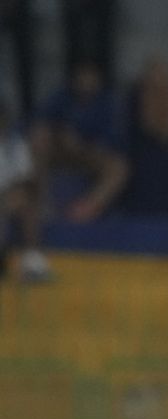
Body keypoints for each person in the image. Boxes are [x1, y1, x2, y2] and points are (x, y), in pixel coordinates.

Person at [29, 60, 127, 223]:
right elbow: (39, 120)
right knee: (38, 142)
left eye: (90, 76)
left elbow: (114, 141)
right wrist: (56, 134)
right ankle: (42, 205)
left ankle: (87, 207)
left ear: (98, 78)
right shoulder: (61, 96)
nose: (85, 80)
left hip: (90, 155)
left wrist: (84, 144)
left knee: (120, 167)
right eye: (82, 75)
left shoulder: (108, 102)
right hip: (60, 152)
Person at [122, 55, 168, 216]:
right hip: (145, 156)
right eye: (155, 74)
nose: (159, 79)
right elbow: (146, 126)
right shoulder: (136, 99)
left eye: (163, 74)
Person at [0, 101, 49, 281]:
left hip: (7, 201)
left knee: (27, 203)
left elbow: (26, 182)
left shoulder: (14, 147)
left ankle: (32, 260)